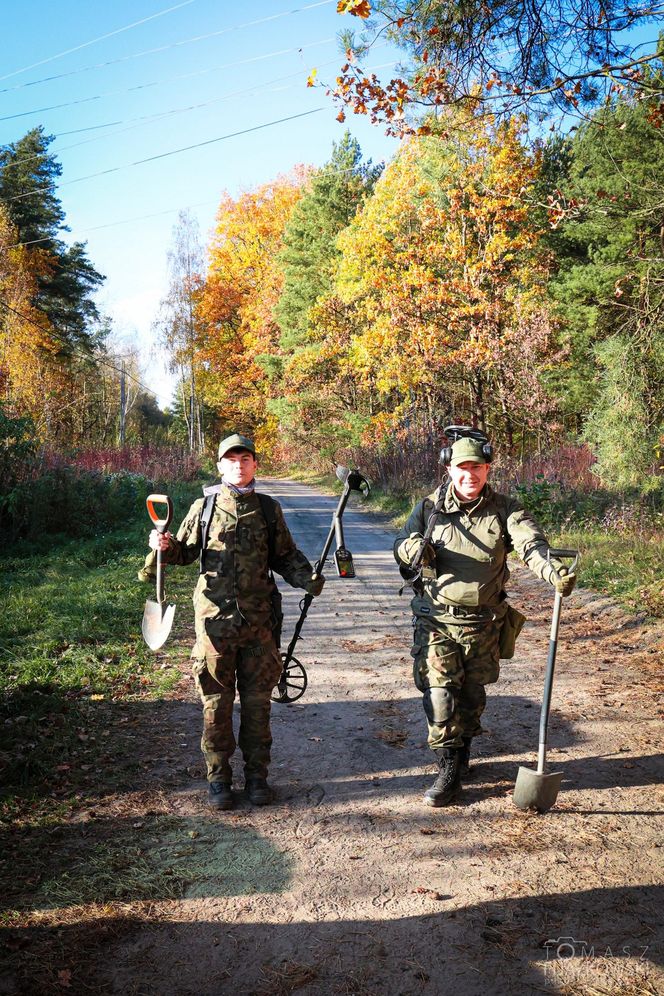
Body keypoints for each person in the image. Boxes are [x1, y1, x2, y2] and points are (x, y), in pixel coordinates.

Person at [139, 433, 324, 810]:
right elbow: (185, 553)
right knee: (216, 706)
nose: (238, 466)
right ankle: (219, 781)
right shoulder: (204, 508)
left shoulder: (270, 510)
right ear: (220, 465)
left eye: (245, 459)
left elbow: (285, 557)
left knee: (258, 708)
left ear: (255, 465)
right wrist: (164, 547)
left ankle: (258, 779)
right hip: (214, 629)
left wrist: (308, 578)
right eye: (231, 459)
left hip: (259, 628)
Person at [393, 430, 576, 808]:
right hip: (438, 619)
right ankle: (447, 770)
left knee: (472, 698)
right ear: (449, 469)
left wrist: (553, 571)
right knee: (441, 695)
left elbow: (531, 545)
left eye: (477, 467)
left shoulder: (506, 508)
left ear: (487, 469)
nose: (469, 475)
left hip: (484, 624)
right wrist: (416, 549)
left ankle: (461, 755)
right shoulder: (428, 509)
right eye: (462, 467)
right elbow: (402, 545)